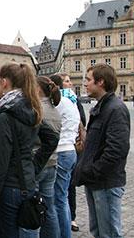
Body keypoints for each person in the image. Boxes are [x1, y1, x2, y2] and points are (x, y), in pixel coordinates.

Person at [0, 63, 58, 237]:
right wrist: (31, 166)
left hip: (8, 186)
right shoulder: (30, 108)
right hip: (25, 183)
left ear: (5, 82)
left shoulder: (7, 115)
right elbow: (51, 138)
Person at [73, 64, 130, 238]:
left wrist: (93, 171)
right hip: (96, 182)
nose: (85, 84)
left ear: (101, 82)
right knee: (98, 231)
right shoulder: (103, 107)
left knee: (109, 234)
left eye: (88, 80)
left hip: (105, 183)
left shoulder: (115, 109)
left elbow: (117, 150)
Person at [20, 76, 62, 238]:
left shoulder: (37, 110)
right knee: (48, 209)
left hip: (37, 163)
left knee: (30, 209)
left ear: (37, 89)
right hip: (52, 163)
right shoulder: (55, 110)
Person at [49, 74, 80, 238]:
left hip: (61, 150)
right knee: (62, 197)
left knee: (59, 199)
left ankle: (62, 234)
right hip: (69, 150)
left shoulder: (59, 102)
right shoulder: (70, 101)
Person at [60, 73, 86, 233]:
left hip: (72, 146)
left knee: (70, 186)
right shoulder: (58, 101)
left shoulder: (74, 100)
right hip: (65, 147)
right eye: (66, 82)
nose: (69, 84)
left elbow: (82, 119)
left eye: (69, 81)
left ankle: (72, 217)